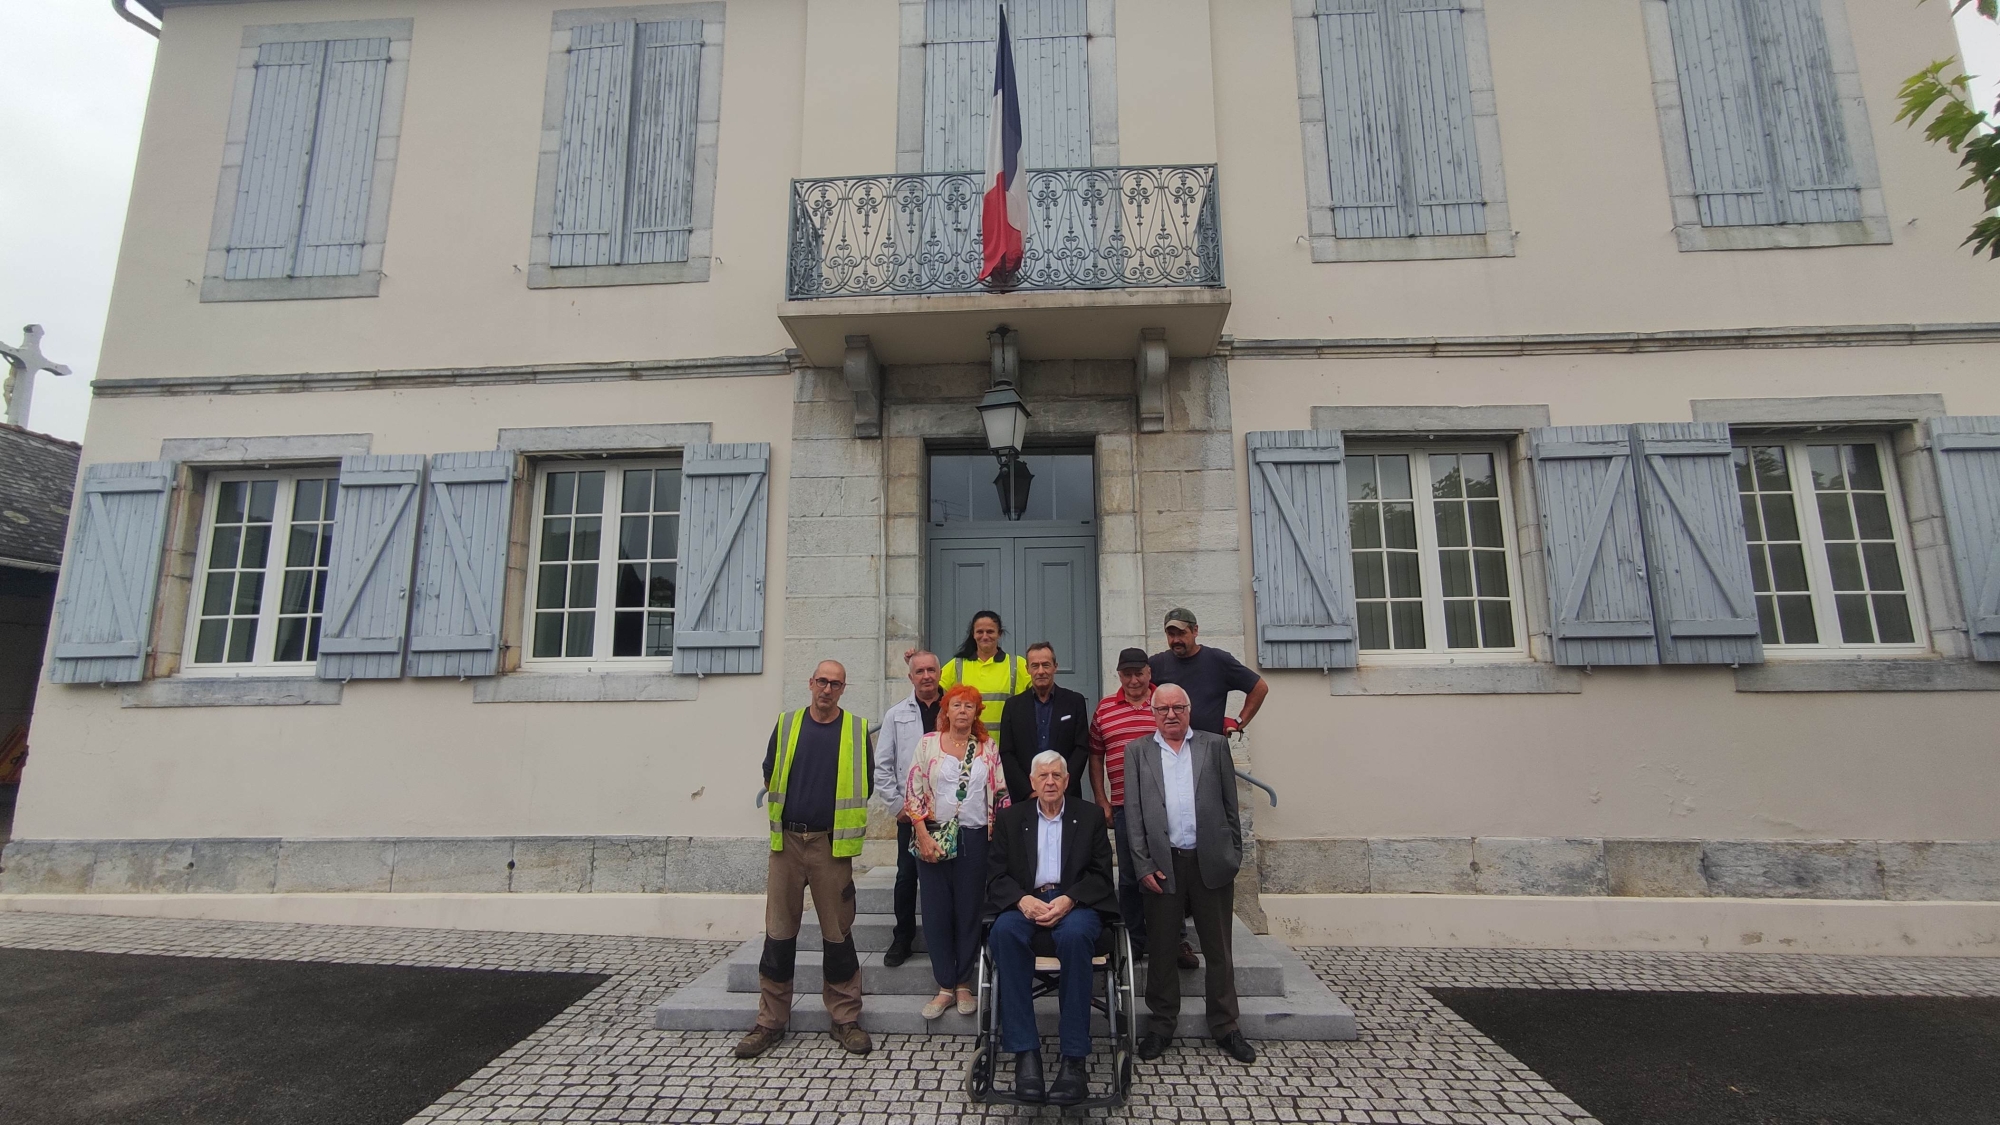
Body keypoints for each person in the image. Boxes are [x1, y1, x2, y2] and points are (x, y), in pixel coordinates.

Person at [738, 660, 874, 1059]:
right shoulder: (787, 724)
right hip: (787, 846)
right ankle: (770, 1022)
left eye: (835, 684)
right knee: (778, 935)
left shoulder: (856, 729)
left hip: (831, 848)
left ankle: (845, 1019)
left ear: (844, 689)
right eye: (821, 682)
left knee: (838, 936)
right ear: (810, 683)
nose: (827, 689)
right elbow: (770, 773)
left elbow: (863, 783)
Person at [1122, 683, 1256, 1065]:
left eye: (1178, 707)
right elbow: (1133, 816)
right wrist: (1143, 864)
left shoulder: (1214, 746)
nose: (1170, 715)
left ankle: (1226, 1025)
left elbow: (1232, 807)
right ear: (1152, 713)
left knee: (1218, 950)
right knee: (1162, 950)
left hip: (1209, 862)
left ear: (1189, 709)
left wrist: (1232, 856)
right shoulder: (1137, 752)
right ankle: (1162, 1025)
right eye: (1162, 709)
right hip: (1163, 866)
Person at [986, 750, 1117, 1106]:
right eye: (1042, 776)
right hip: (1026, 902)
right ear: (1031, 782)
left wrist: (1069, 899)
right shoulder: (1012, 819)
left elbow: (1102, 876)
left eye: (1056, 776)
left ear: (1066, 781)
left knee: (1074, 937)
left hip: (1075, 904)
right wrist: (1020, 900)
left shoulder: (1088, 817)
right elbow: (995, 874)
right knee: (1003, 933)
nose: (1049, 782)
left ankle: (1074, 1060)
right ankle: (1025, 1055)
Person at [904, 683, 1010, 1021]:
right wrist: (921, 835)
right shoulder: (927, 744)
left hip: (976, 840)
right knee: (936, 912)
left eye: (969, 706)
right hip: (934, 838)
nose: (962, 711)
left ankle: (964, 983)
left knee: (969, 911)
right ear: (945, 711)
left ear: (977, 712)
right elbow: (914, 791)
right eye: (956, 705)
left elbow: (1002, 795)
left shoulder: (988, 748)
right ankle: (944, 987)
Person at [1088, 647, 1156, 958]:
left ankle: (1174, 939)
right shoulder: (1104, 709)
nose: (1133, 680)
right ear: (1119, 675)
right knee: (1129, 875)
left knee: (1170, 871)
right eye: (1127, 674)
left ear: (1149, 673)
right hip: (1124, 804)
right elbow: (1096, 755)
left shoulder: (1165, 703)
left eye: (1138, 673)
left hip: (1164, 808)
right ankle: (1135, 940)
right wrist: (1101, 799)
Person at [876, 649, 942, 968]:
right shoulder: (896, 715)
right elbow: (883, 765)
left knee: (948, 876)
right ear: (910, 676)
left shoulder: (955, 708)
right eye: (920, 671)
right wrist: (896, 806)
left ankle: (949, 936)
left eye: (931, 670)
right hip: (911, 814)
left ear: (939, 673)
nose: (926, 676)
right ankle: (903, 936)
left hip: (948, 814)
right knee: (906, 876)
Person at [1147, 607, 1268, 738]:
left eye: (1181, 633)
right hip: (1169, 748)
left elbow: (1259, 688)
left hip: (1210, 748)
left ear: (1195, 631)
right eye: (1171, 634)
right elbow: (1134, 694)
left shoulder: (1218, 660)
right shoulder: (1156, 664)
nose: (1176, 640)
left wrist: (1239, 722)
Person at [996, 641, 1090, 804]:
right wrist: (1029, 790)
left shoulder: (1074, 702)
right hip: (1026, 798)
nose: (1040, 671)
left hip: (1067, 796)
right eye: (1035, 666)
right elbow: (1007, 752)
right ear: (1027, 669)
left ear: (1055, 667)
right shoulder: (1013, 706)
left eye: (1046, 665)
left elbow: (1081, 747)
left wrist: (1062, 785)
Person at [937, 609, 1031, 728]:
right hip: (967, 744)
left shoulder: (1018, 664)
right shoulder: (956, 665)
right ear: (973, 634)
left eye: (990, 631)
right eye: (980, 632)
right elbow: (932, 693)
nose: (985, 636)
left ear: (999, 634)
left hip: (1006, 744)